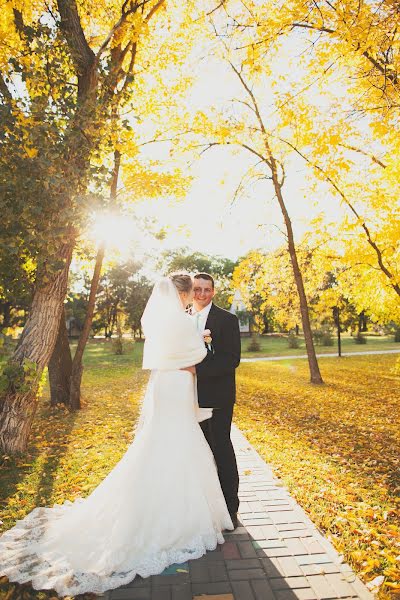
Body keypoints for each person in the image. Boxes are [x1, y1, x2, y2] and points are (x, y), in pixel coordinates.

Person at [0, 274, 233, 597]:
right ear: (182, 294)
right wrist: (203, 342)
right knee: (180, 442)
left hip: (163, 386)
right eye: (191, 291)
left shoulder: (160, 321)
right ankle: (179, 517)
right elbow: (198, 357)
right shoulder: (181, 321)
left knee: (161, 441)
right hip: (178, 386)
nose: (195, 295)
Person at [191, 273, 241, 528]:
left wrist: (196, 370)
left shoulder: (227, 319)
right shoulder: (184, 319)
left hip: (218, 397)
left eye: (206, 289)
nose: (201, 294)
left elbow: (231, 359)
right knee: (198, 450)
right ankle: (206, 504)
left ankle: (230, 506)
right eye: (197, 289)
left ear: (213, 291)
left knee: (220, 448)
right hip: (188, 397)